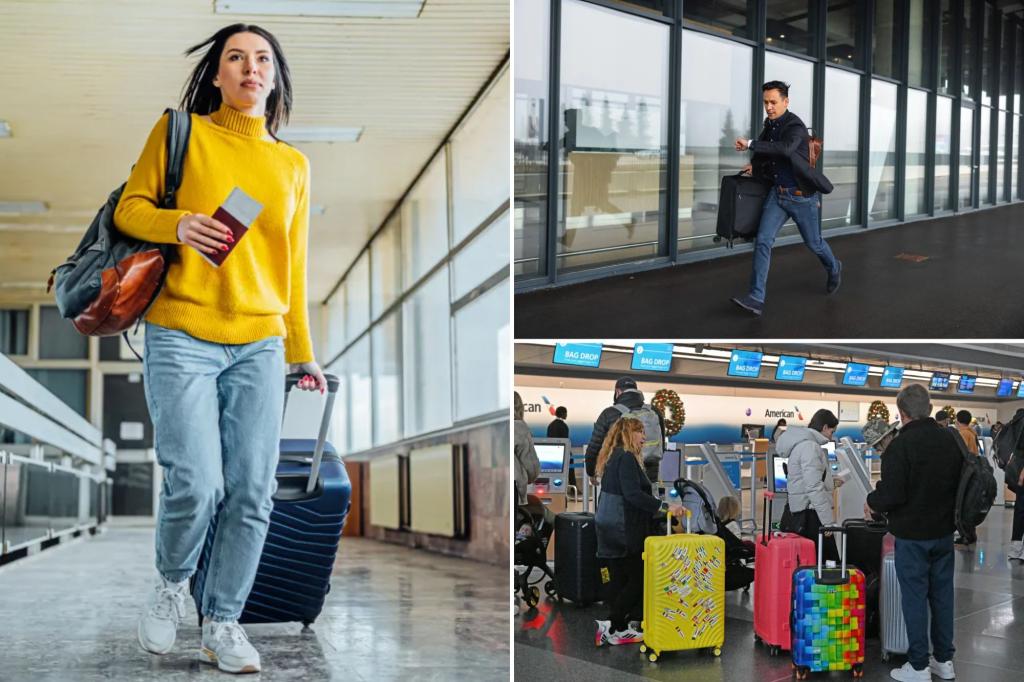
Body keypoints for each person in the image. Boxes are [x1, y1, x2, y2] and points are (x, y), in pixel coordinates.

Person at [119, 24, 325, 675]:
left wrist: (303, 351)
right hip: (180, 330)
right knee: (198, 482)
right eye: (235, 57)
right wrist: (176, 222)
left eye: (262, 58)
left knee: (252, 492)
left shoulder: (292, 164)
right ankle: (171, 585)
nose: (249, 67)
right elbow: (129, 209)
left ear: (275, 76)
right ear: (217, 73)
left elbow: (293, 266)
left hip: (260, 342)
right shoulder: (182, 132)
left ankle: (223, 622)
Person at [864, 384, 961, 682]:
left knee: (915, 598)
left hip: (912, 536)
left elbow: (892, 494)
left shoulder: (900, 446)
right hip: (945, 533)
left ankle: (918, 665)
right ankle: (944, 661)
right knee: (943, 596)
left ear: (902, 413)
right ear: (929, 408)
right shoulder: (951, 439)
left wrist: (871, 502)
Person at [730, 80, 840, 317]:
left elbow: (785, 149)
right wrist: (754, 164)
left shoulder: (795, 126)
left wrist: (749, 143)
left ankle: (834, 267)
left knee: (814, 244)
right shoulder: (769, 125)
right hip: (777, 195)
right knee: (763, 241)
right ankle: (756, 298)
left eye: (773, 102)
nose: (769, 107)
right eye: (765, 102)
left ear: (785, 102)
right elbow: (765, 152)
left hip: (801, 198)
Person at [594, 418, 684, 646]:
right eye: (639, 432)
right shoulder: (625, 457)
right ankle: (611, 624)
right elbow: (633, 495)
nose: (644, 437)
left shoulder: (613, 456)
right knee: (638, 577)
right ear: (627, 434)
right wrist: (665, 507)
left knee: (622, 578)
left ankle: (620, 629)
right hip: (623, 527)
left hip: (609, 525)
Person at [776, 409, 843, 562]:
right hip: (811, 516)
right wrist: (828, 522)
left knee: (807, 563)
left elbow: (807, 480)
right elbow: (813, 487)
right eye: (832, 431)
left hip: (802, 513)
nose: (832, 436)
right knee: (827, 565)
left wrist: (830, 483)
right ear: (825, 427)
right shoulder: (810, 447)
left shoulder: (802, 445)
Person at [584, 377, 666, 484]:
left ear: (617, 392)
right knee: (647, 500)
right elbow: (662, 445)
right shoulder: (654, 411)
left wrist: (592, 472)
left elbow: (594, 448)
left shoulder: (609, 414)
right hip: (649, 477)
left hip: (619, 478)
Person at [547, 407, 574, 489]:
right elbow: (565, 441)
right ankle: (573, 488)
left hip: (552, 453)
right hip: (562, 453)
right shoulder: (564, 426)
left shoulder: (550, 425)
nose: (566, 415)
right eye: (566, 413)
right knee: (571, 465)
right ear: (562, 414)